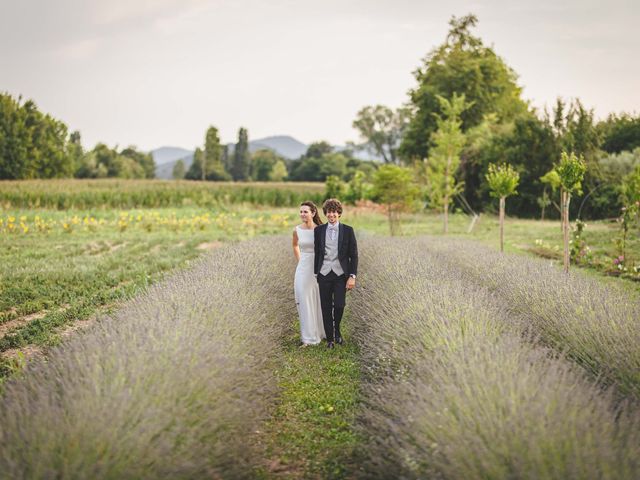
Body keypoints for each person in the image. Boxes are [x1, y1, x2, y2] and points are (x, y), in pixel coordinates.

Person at [314, 198, 358, 349]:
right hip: (324, 273)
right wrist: (316, 273)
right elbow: (317, 253)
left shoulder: (348, 230)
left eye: (334, 212)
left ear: (339, 213)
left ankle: (337, 329)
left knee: (340, 305)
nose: (331, 215)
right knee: (325, 307)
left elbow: (354, 255)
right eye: (328, 212)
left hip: (340, 274)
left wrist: (352, 276)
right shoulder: (318, 231)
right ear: (325, 213)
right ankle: (330, 339)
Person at [292, 201, 326, 346]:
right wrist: (300, 260)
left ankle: (319, 332)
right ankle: (308, 337)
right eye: (301, 212)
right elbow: (295, 245)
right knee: (303, 299)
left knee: (317, 299)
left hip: (317, 268)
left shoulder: (320, 229)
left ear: (313, 213)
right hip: (302, 268)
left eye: (305, 211)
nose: (302, 214)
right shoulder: (296, 230)